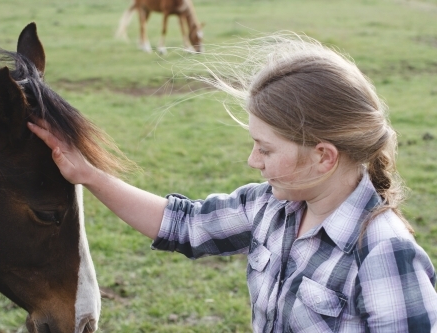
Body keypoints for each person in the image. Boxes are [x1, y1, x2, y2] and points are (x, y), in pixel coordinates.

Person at [27, 33, 437, 332]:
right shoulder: (271, 207)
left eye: (265, 149)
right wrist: (88, 174)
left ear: (324, 156)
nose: (252, 160)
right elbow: (184, 225)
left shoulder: (384, 253)